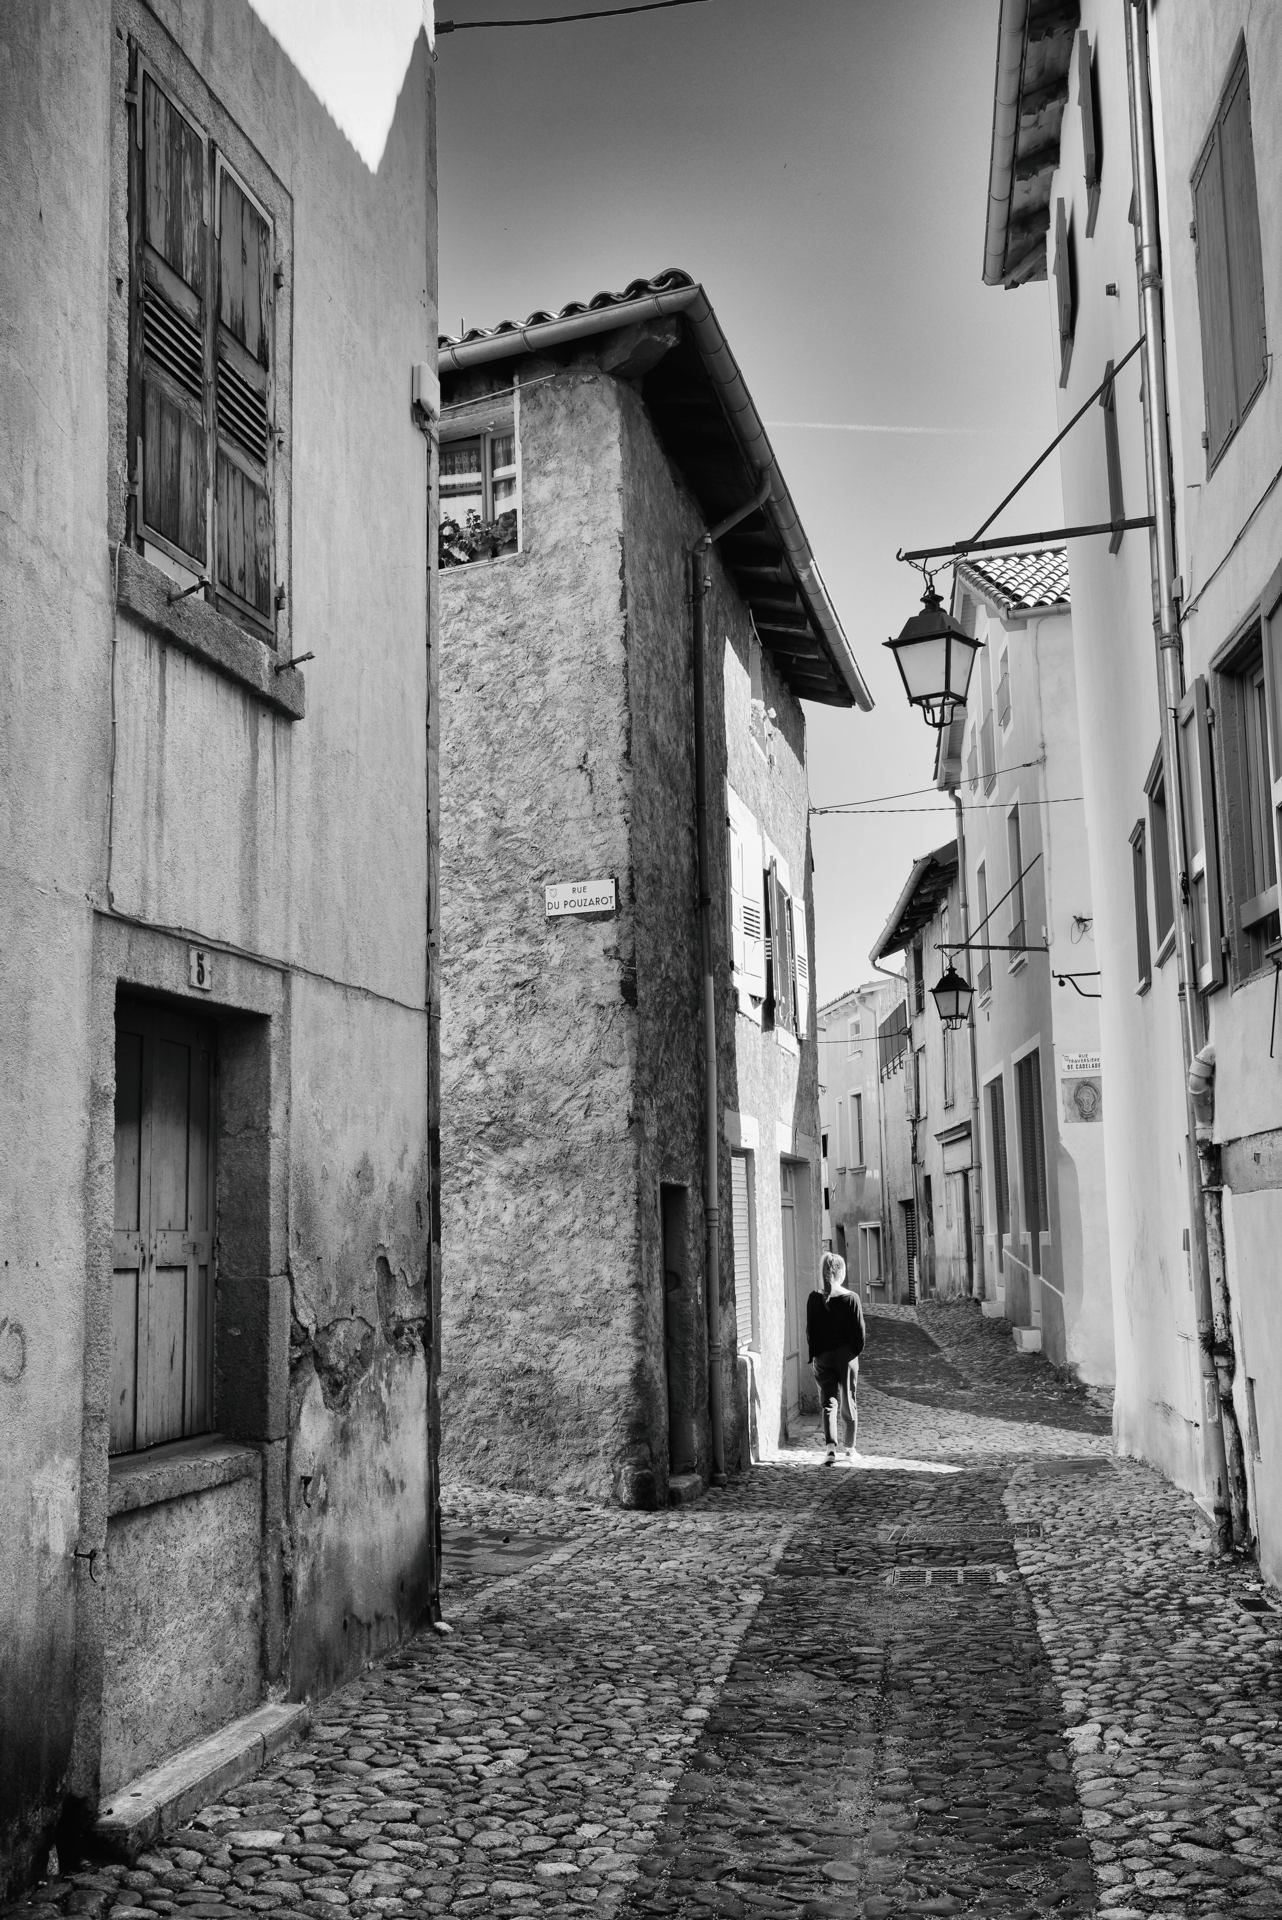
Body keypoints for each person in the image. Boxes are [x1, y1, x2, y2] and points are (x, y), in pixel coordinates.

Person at [806, 1250, 866, 1464]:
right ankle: (850, 1449)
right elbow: (860, 1334)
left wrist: (814, 1355)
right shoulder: (852, 1299)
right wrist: (853, 1354)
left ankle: (830, 1449)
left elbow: (810, 1331)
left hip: (823, 1356)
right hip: (846, 1356)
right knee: (849, 1400)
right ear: (840, 1273)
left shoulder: (814, 1298)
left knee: (828, 1402)